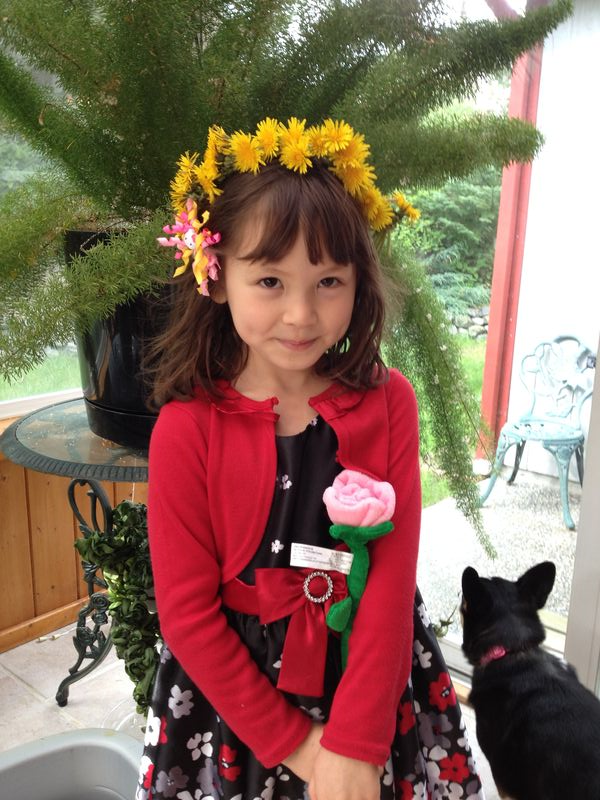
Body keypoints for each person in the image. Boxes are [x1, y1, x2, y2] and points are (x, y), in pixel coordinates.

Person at [136, 117, 484, 800]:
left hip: (369, 688)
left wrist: (354, 745)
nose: (300, 314)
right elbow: (186, 615)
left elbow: (389, 581)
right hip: (234, 712)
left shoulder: (389, 403)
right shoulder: (185, 430)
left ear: (359, 281)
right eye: (270, 280)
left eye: (328, 281)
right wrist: (300, 746)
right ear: (215, 276)